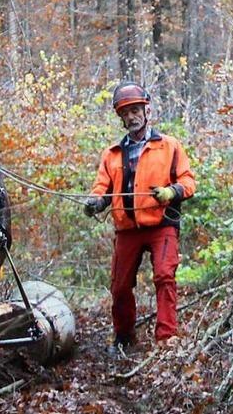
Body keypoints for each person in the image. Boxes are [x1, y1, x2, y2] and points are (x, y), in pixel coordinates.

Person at [84, 82, 196, 354]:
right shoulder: (112, 154)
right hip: (127, 229)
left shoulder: (169, 146)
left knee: (164, 276)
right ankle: (124, 337)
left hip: (162, 226)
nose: (131, 116)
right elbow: (102, 189)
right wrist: (95, 203)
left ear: (147, 111)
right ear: (120, 118)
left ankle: (167, 338)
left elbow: (189, 182)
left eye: (135, 110)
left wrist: (172, 191)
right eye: (126, 113)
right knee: (120, 286)